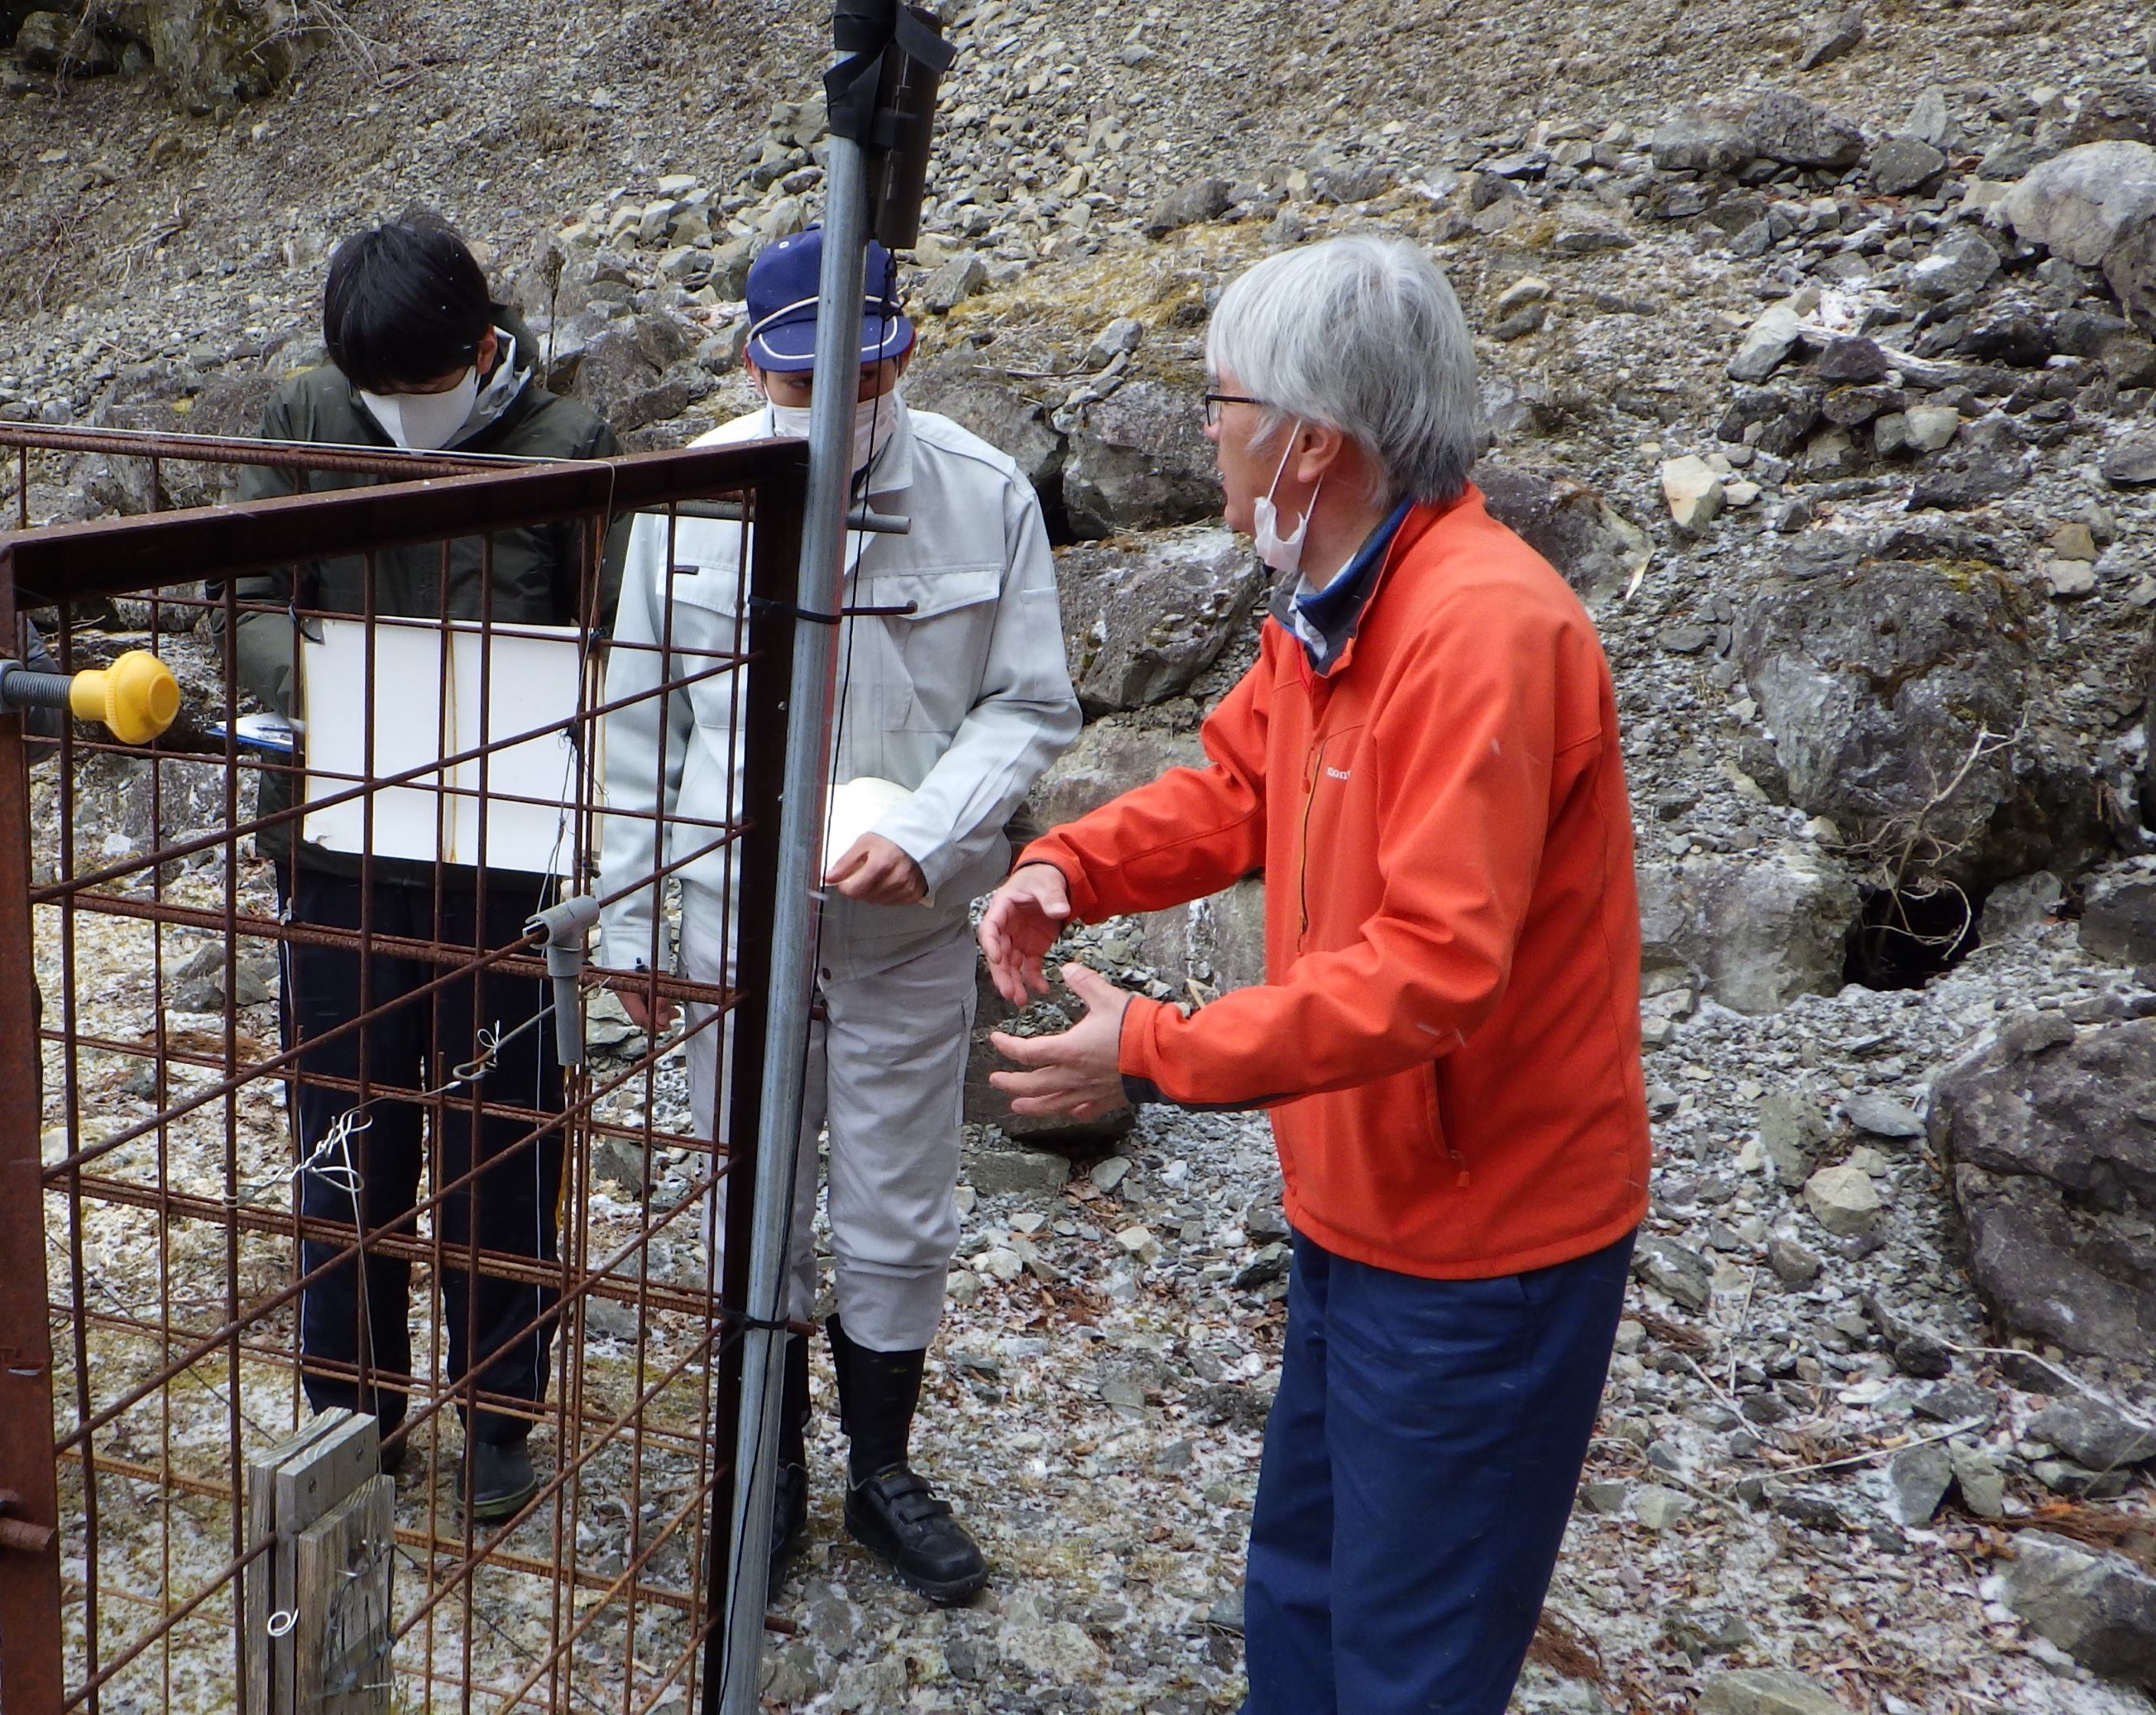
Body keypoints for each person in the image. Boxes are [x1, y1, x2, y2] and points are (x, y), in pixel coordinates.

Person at [980, 235, 1650, 1710]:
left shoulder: (1479, 626)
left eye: (1219, 397)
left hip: (1485, 1244)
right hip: (1360, 1207)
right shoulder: (1343, 595)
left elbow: (1430, 970)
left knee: (1407, 1656)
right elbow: (1234, 786)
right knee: (1301, 1593)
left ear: (1309, 441)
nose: (1204, 426)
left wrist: (1154, 1047)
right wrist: (1064, 865)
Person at [596, 228, 1079, 1605]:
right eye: (801, 380)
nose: (832, 404)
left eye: (859, 372)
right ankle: (769, 1467)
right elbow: (636, 724)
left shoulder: (983, 495)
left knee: (896, 1200)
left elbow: (1032, 700)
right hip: (725, 918)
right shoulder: (685, 500)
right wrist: (629, 923)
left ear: (903, 350)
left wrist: (926, 833)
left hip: (907, 923)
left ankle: (880, 1470)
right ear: (753, 362)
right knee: (744, 1193)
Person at [228, 219, 624, 1524]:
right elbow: (234, 601)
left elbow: (611, 646)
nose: (402, 416)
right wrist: (342, 693)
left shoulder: (566, 447)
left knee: (500, 1143)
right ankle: (349, 1407)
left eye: (423, 389)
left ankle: (500, 1411)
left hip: (500, 870)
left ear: (483, 347)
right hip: (336, 848)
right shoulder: (299, 416)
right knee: (343, 1139)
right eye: (378, 397)